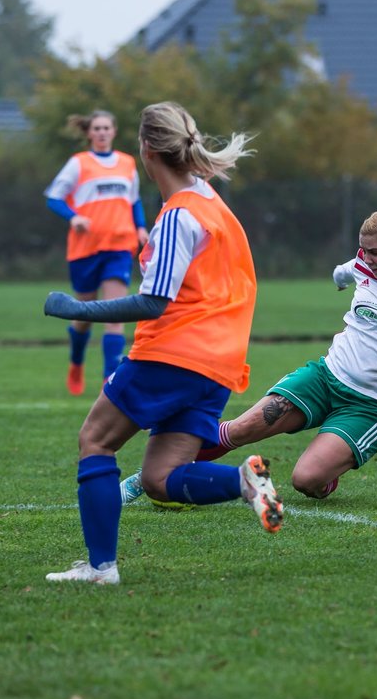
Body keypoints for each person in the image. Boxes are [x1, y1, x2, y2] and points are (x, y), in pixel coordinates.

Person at [41, 101, 282, 585]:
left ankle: (100, 567)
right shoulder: (213, 203)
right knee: (160, 478)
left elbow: (154, 302)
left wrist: (79, 310)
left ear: (146, 151)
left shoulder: (179, 215)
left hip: (172, 354)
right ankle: (244, 480)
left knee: (95, 440)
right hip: (219, 364)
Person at [145, 209, 377, 502]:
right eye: (363, 250)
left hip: (370, 404)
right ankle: (163, 474)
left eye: (375, 252)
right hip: (325, 377)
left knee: (305, 480)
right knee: (238, 429)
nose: (367, 258)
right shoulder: (363, 265)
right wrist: (340, 279)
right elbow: (343, 271)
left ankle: (328, 474)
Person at [44, 110, 149, 396]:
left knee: (114, 312)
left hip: (119, 245)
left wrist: (140, 227)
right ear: (89, 133)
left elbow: (134, 201)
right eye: (97, 128)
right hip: (85, 248)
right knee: (84, 314)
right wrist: (73, 217)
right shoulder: (79, 164)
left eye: (106, 128)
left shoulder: (127, 163)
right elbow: (53, 197)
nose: (102, 132)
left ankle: (108, 380)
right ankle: (76, 362)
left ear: (114, 131)